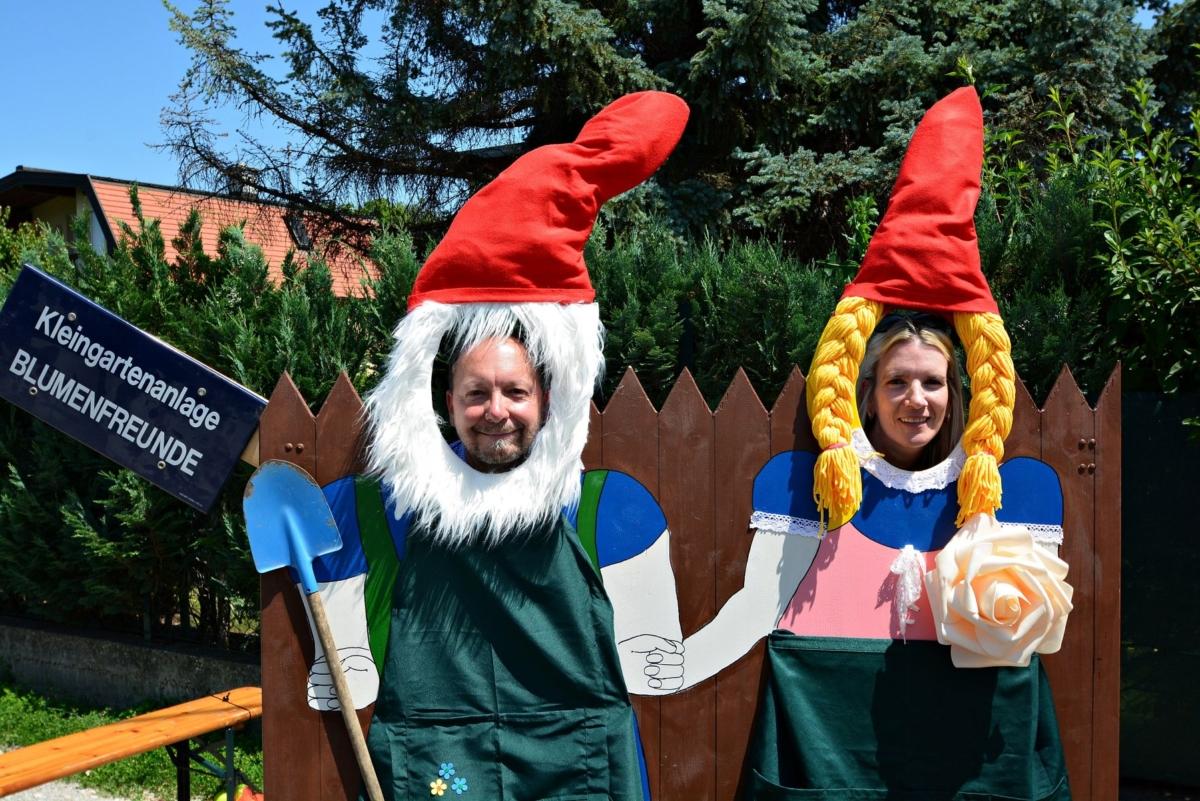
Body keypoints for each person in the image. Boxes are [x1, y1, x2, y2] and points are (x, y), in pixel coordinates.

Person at [654, 88, 1074, 801]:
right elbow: (758, 609)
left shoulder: (1016, 495)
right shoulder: (811, 491)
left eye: (933, 382)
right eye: (898, 382)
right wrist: (676, 667)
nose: (917, 399)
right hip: (835, 755)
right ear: (867, 392)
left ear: (957, 392)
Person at [288, 90, 690, 801]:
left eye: (514, 391)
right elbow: (298, 535)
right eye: (477, 393)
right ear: (446, 402)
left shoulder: (595, 507)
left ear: (547, 402)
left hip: (575, 772)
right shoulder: (397, 509)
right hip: (443, 768)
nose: (495, 411)